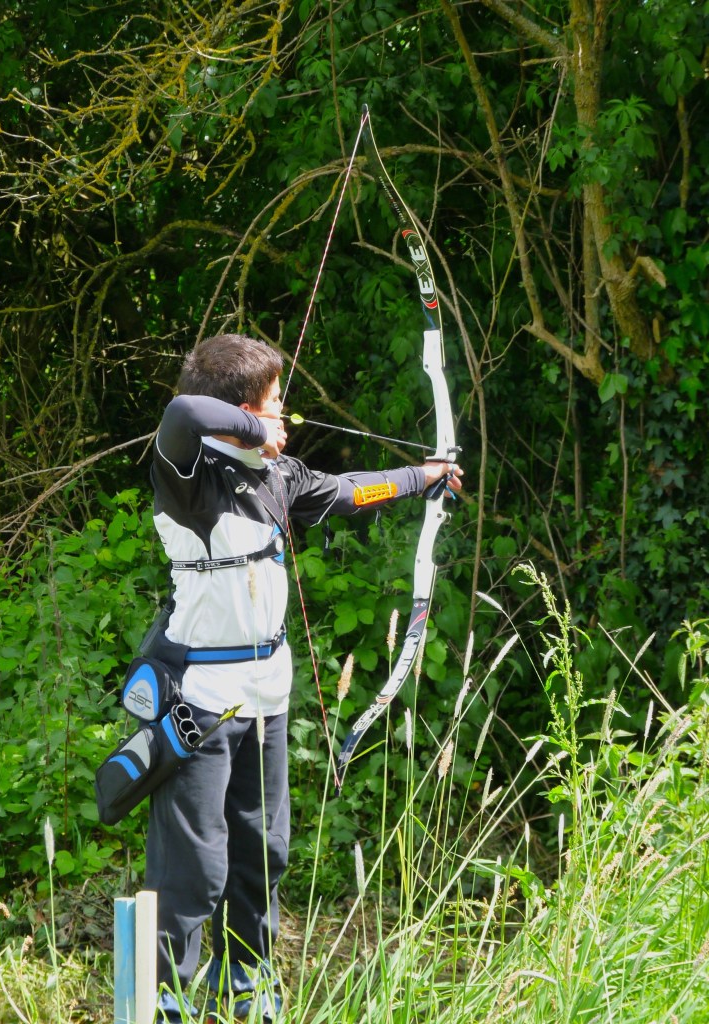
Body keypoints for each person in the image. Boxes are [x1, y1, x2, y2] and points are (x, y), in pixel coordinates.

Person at [144, 333, 462, 1022]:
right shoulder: (187, 479)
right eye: (275, 405)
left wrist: (423, 476)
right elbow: (183, 415)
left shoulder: (276, 479)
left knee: (264, 852)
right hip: (199, 702)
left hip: (267, 701)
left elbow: (350, 491)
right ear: (242, 410)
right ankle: (163, 998)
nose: (285, 419)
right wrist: (257, 427)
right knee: (194, 869)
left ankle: (248, 986)